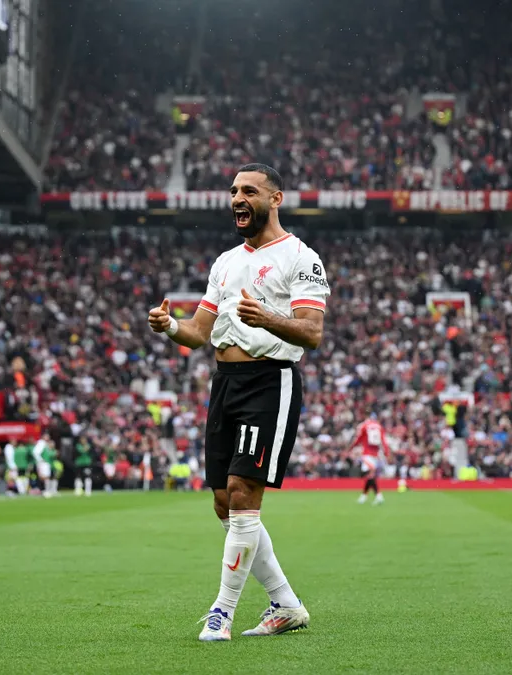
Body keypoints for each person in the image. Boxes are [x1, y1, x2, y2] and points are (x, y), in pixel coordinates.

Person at [148, 164, 327, 641]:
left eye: (249, 190)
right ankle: (286, 604)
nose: (236, 198)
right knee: (226, 504)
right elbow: (197, 334)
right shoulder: (225, 262)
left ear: (276, 198)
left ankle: (221, 612)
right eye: (232, 191)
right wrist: (168, 327)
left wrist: (267, 318)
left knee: (245, 497)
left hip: (270, 381)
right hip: (225, 382)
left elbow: (312, 332)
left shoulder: (301, 257)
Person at [351, 412, 388, 505]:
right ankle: (364, 496)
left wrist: (352, 447)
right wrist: (386, 452)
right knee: (370, 475)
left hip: (367, 453)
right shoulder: (379, 427)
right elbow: (384, 441)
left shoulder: (365, 426)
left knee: (368, 474)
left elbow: (358, 438)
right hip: (375, 454)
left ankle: (379, 496)